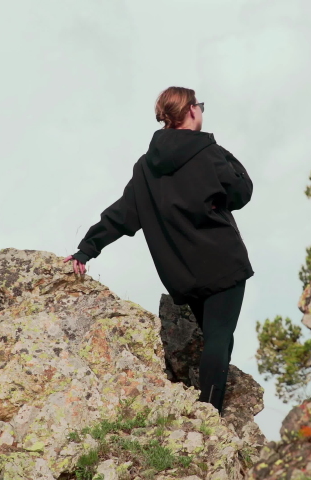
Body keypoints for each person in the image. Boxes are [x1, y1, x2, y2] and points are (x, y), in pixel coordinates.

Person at [63, 86, 254, 416]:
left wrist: (87, 249)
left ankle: (209, 407)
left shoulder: (145, 167)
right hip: (224, 263)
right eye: (200, 106)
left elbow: (123, 214)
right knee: (220, 339)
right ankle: (210, 416)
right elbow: (241, 192)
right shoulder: (207, 152)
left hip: (183, 274)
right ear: (191, 111)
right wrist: (219, 149)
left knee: (217, 338)